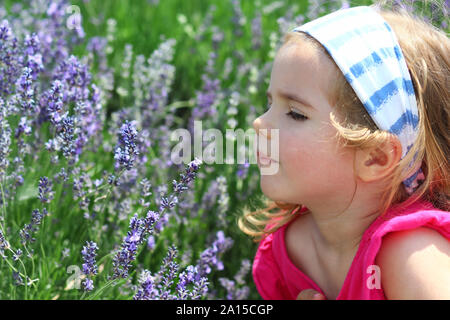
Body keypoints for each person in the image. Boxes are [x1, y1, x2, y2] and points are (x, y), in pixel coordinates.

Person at [238, 4, 449, 300]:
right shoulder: (291, 247)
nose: (259, 123)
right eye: (270, 103)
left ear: (374, 157)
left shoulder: (412, 255)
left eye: (295, 113)